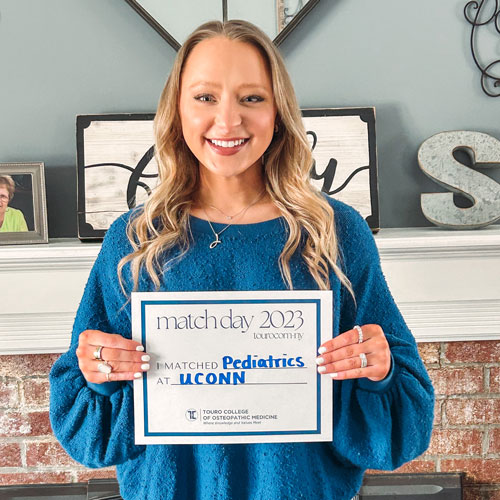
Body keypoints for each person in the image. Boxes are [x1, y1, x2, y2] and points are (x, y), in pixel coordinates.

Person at [49, 20, 434, 500]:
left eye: (251, 98)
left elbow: (403, 431)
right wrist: (99, 372)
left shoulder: (335, 231)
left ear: (278, 111)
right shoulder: (135, 239)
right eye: (205, 97)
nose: (228, 121)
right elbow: (89, 434)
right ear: (177, 110)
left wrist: (380, 370)